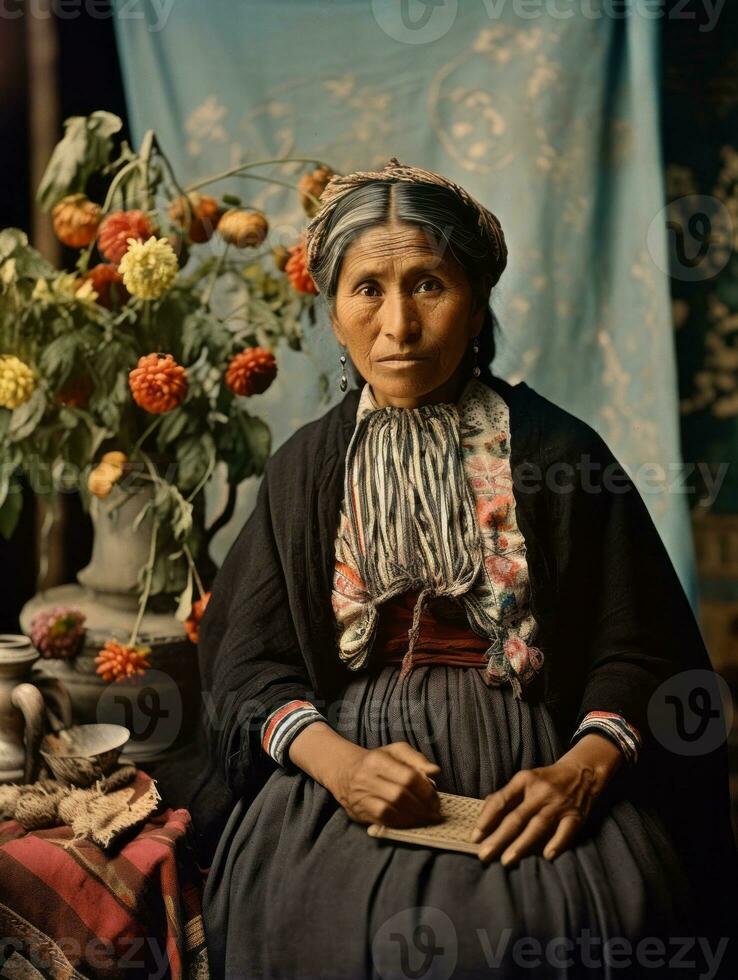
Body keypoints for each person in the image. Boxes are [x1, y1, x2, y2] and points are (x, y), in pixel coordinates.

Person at [196, 158, 738, 979]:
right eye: (367, 288)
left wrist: (581, 774)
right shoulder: (305, 470)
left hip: (533, 759)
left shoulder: (560, 455)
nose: (399, 326)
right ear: (334, 312)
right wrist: (338, 767)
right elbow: (250, 666)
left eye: (428, 285)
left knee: (565, 931)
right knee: (321, 930)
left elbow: (640, 648)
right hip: (343, 768)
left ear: (477, 301)